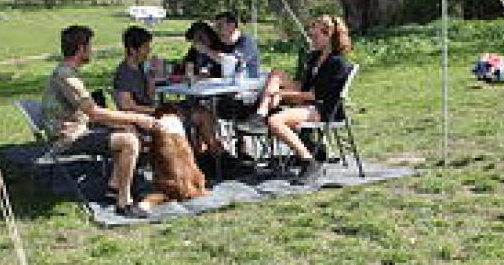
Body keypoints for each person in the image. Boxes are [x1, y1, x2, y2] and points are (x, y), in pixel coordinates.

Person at [42, 25, 158, 218]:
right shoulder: (67, 76)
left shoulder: (69, 72)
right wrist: (138, 117)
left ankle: (113, 188)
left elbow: (90, 112)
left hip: (78, 128)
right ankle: (124, 202)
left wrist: (126, 121)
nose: (92, 50)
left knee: (127, 129)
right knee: (129, 141)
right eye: (90, 46)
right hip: (67, 137)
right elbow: (94, 113)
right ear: (81, 49)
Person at [248, 15, 352, 185]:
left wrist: (282, 95)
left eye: (315, 36)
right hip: (309, 100)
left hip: (323, 108)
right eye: (311, 35)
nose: (311, 38)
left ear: (329, 36)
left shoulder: (337, 63)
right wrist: (277, 90)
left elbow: (315, 95)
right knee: (276, 74)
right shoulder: (314, 57)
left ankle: (309, 161)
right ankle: (261, 112)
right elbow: (304, 86)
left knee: (275, 121)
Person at [113, 25, 225, 155]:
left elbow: (148, 98)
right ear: (132, 50)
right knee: (202, 115)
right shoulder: (125, 73)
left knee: (200, 110)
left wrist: (151, 79)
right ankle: (217, 156)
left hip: (151, 112)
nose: (148, 51)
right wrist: (159, 110)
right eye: (145, 47)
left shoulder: (139, 67)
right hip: (144, 119)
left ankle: (207, 154)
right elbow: (126, 106)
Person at [192, 10, 260, 78]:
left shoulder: (247, 42)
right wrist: (203, 71)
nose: (216, 29)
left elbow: (229, 61)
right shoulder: (217, 43)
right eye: (216, 26)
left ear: (232, 26)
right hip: (219, 85)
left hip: (247, 85)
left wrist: (206, 50)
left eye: (220, 25)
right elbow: (205, 65)